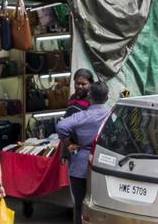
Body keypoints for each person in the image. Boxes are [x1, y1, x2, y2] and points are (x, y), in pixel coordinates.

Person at [56, 83, 111, 224]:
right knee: (104, 205)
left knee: (79, 204)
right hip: (105, 164)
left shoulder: (82, 116)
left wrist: (69, 144)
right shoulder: (112, 115)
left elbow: (61, 126)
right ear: (107, 97)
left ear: (89, 96)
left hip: (81, 164)